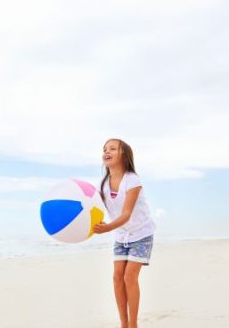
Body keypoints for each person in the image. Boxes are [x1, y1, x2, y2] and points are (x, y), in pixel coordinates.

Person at [93, 138, 155, 328]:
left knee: (129, 277)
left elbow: (126, 214)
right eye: (104, 149)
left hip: (141, 233)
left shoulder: (132, 180)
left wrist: (107, 228)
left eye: (112, 148)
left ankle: (133, 325)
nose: (106, 151)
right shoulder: (103, 185)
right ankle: (124, 323)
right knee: (117, 276)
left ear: (124, 155)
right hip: (121, 235)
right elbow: (92, 207)